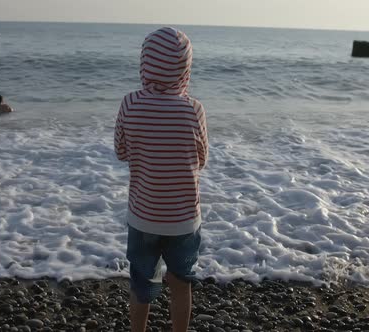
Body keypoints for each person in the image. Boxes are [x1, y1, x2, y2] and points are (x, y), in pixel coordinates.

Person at [114, 27, 209, 332]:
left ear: (145, 63)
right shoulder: (194, 110)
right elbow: (202, 158)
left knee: (142, 285)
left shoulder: (129, 104)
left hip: (143, 217)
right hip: (183, 220)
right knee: (182, 284)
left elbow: (121, 151)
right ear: (185, 68)